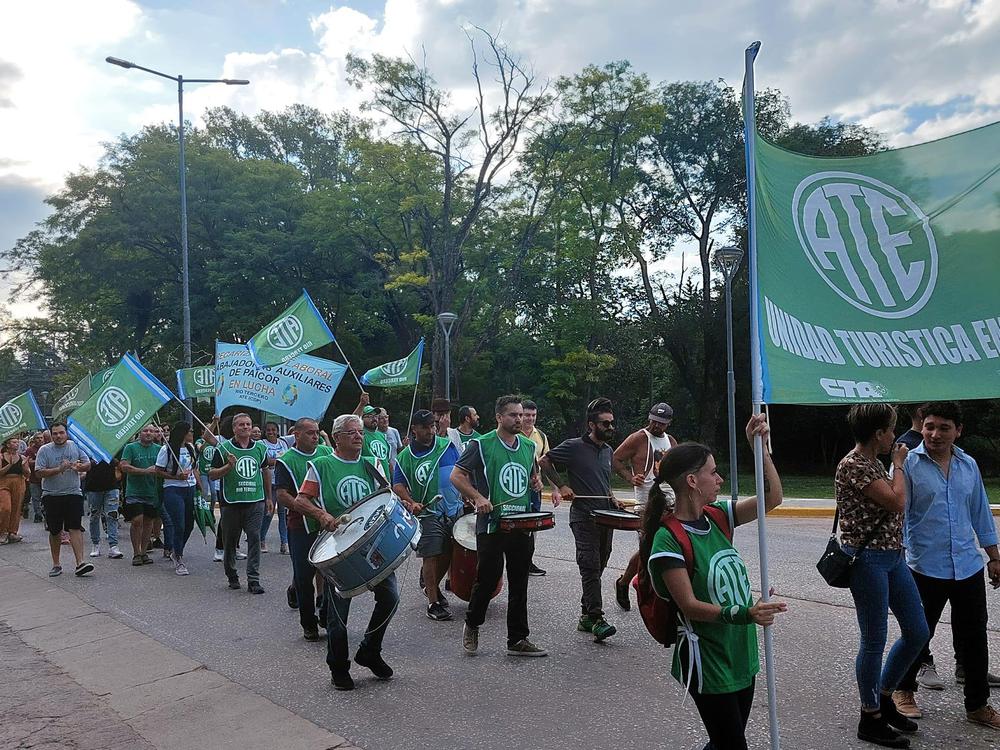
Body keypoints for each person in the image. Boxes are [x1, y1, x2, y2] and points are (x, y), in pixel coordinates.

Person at [641, 414, 786, 750]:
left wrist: (759, 448)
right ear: (692, 481)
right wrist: (745, 613)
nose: (719, 479)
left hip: (740, 650)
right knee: (733, 743)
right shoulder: (669, 539)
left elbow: (773, 498)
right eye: (713, 472)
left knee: (725, 741)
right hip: (708, 658)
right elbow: (689, 605)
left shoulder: (718, 516)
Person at [892, 402, 1000, 732]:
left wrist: (994, 556)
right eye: (929, 426)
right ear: (921, 427)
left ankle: (978, 706)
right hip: (924, 565)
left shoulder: (968, 465)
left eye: (943, 428)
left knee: (974, 636)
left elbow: (980, 512)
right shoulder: (907, 463)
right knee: (917, 633)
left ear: (958, 431)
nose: (935, 434)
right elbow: (897, 510)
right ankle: (903, 690)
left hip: (966, 564)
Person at [836, 403, 928, 748]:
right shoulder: (854, 465)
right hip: (869, 562)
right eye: (891, 429)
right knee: (874, 640)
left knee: (917, 631)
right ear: (878, 434)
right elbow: (895, 501)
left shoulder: (872, 462)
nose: (895, 435)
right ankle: (869, 715)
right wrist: (900, 465)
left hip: (893, 557)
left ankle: (885, 696)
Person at [293, 413, 396, 691]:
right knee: (338, 614)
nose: (358, 436)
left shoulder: (372, 464)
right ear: (337, 437)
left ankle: (370, 651)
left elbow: (386, 497)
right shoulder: (322, 465)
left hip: (372, 544)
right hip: (338, 547)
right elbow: (301, 500)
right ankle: (338, 667)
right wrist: (322, 516)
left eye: (360, 432)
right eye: (351, 432)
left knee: (391, 597)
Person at [451, 394, 547, 657]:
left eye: (521, 415)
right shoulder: (481, 444)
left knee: (519, 583)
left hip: (521, 524)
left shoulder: (528, 447)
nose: (519, 419)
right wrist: (478, 497)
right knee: (487, 580)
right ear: (499, 417)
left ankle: (518, 639)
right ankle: (472, 622)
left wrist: (536, 484)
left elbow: (532, 477)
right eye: (513, 415)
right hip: (493, 524)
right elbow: (456, 475)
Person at [540, 397, 622, 642]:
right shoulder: (573, 446)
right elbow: (544, 461)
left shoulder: (607, 451)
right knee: (590, 566)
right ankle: (597, 618)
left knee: (601, 562)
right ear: (591, 425)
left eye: (611, 423)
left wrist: (612, 496)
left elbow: (604, 482)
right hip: (583, 515)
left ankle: (586, 615)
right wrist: (562, 485)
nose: (610, 428)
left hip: (605, 515)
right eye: (605, 424)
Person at [393, 409, 462, 621]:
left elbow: (461, 471)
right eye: (425, 427)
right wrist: (411, 502)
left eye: (432, 426)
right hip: (427, 512)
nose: (430, 431)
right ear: (414, 429)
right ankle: (432, 602)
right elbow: (398, 484)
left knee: (450, 552)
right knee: (431, 555)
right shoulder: (405, 457)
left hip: (454, 508)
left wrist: (469, 494)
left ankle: (429, 585)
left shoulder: (446, 446)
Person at [612, 402, 680, 609]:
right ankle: (625, 582)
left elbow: (678, 468)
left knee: (669, 545)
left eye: (661, 423)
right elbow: (615, 459)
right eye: (654, 421)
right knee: (647, 547)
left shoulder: (671, 441)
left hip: (670, 501)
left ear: (668, 424)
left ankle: (659, 590)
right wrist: (630, 477)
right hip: (647, 502)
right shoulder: (639, 438)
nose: (656, 426)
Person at [274, 417, 333, 641]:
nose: (315, 436)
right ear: (296, 435)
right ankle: (308, 623)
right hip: (300, 525)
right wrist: (302, 506)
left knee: (329, 571)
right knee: (304, 575)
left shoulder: (326, 455)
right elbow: (281, 494)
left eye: (317, 432)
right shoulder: (286, 460)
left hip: (327, 522)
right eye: (310, 433)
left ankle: (327, 614)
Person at [210, 412, 272, 594]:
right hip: (231, 502)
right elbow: (212, 474)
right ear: (234, 428)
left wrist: (269, 497)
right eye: (241, 425)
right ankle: (231, 574)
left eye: (248, 424)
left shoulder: (260, 448)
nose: (245, 427)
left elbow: (265, 471)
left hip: (255, 500)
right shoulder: (223, 448)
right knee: (230, 541)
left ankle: (253, 579)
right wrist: (228, 467)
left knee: (254, 537)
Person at [33, 422, 94, 577]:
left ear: (66, 433)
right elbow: (39, 472)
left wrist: (79, 468)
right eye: (55, 433)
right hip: (51, 495)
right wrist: (58, 470)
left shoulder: (75, 446)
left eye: (61, 433)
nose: (58, 436)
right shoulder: (44, 450)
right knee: (55, 530)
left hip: (73, 492)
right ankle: (56, 564)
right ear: (51, 435)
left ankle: (80, 562)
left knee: (74, 526)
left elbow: (87, 464)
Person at [156, 422, 199, 577]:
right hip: (173, 488)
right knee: (179, 523)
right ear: (183, 433)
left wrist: (199, 486)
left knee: (189, 524)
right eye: (190, 431)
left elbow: (194, 469)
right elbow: (158, 471)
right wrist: (176, 476)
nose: (192, 433)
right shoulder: (166, 449)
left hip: (190, 487)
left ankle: (177, 548)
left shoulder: (191, 448)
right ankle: (178, 557)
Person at [120, 424, 162, 566]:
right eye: (145, 430)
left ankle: (144, 552)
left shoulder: (160, 449)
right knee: (137, 521)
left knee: (149, 521)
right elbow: (124, 466)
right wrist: (144, 471)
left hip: (152, 491)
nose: (148, 433)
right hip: (134, 491)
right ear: (140, 433)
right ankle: (136, 552)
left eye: (151, 431)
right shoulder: (130, 448)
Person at [520, 399, 553, 576]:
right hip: (514, 487)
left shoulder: (540, 436)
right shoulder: (513, 433)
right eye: (527, 415)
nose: (530, 418)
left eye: (533, 415)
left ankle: (528, 561)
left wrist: (555, 488)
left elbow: (546, 463)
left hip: (534, 489)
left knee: (532, 526)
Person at [260, 421, 291, 554]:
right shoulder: (262, 444)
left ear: (278, 431)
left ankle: (284, 543)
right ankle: (261, 539)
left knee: (284, 515)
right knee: (268, 513)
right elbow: (265, 461)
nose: (271, 432)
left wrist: (275, 462)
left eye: (273, 430)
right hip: (269, 483)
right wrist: (278, 461)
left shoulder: (283, 443)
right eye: (268, 430)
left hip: (283, 483)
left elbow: (287, 459)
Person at [83, 453, 122, 559]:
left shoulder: (112, 446)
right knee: (94, 515)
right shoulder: (88, 447)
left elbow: (119, 462)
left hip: (111, 484)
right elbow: (83, 462)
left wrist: (115, 462)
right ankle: (95, 544)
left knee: (112, 515)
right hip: (93, 485)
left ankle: (113, 545)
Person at [0, 437, 27, 544]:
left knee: (16, 508)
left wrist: (24, 466)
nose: (17, 444)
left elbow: (27, 474)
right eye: (14, 442)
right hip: (4, 483)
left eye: (17, 442)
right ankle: (3, 531)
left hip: (19, 482)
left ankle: (12, 532)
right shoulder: (1, 457)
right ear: (8, 444)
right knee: (5, 507)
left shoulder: (22, 457)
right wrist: (10, 465)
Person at [359, 402, 391, 479]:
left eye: (375, 416)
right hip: (369, 479)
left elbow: (387, 460)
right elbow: (353, 418)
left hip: (385, 480)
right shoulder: (360, 434)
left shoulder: (381, 435)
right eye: (369, 416)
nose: (374, 419)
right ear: (362, 419)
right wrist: (362, 404)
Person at [23, 432, 46, 523]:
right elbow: (28, 462)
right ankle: (38, 514)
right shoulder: (30, 450)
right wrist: (39, 461)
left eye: (41, 438)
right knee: (36, 497)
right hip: (34, 478)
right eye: (38, 438)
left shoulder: (47, 448)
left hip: (45, 478)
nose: (40, 440)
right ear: (34, 440)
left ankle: (46, 513)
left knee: (46, 497)